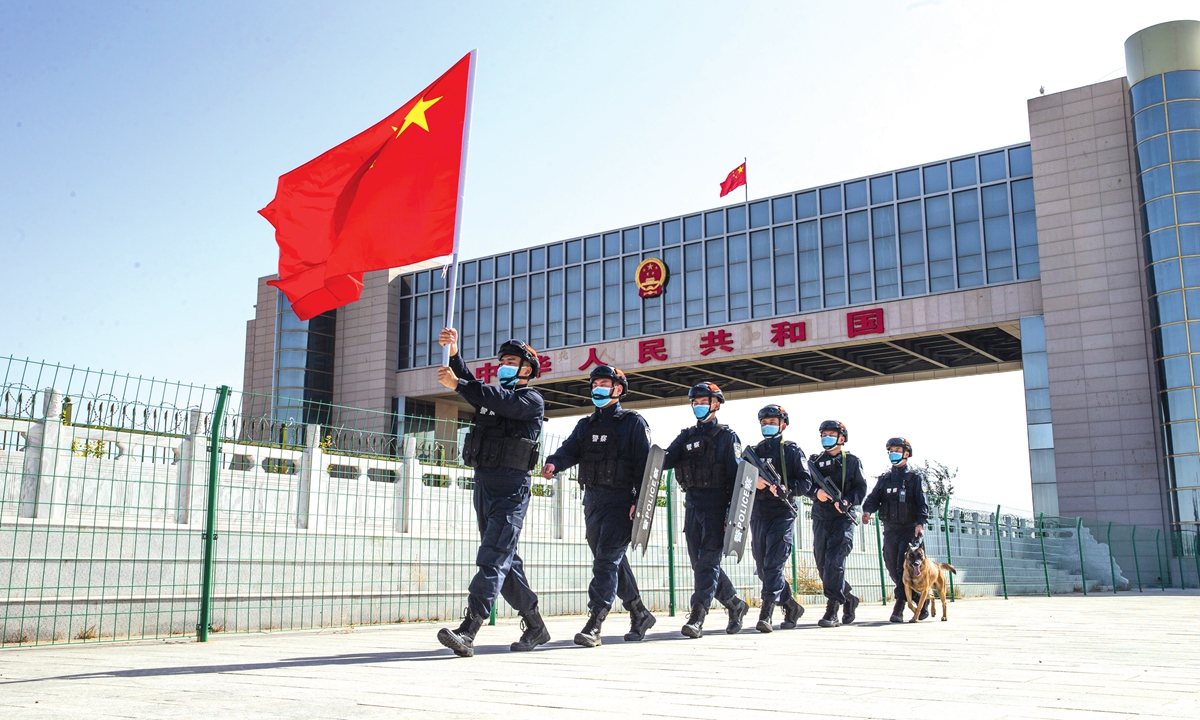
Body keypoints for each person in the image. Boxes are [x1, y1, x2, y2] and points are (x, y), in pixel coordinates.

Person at [434, 329, 549, 657]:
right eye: (502, 362)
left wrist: (458, 383)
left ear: (527, 369)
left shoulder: (529, 401)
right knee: (504, 560)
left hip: (512, 489)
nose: (504, 366)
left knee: (493, 556)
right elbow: (476, 389)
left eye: (511, 362)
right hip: (485, 484)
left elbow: (493, 397)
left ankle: (469, 630)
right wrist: (454, 353)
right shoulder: (492, 397)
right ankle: (536, 626)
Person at [541, 365, 657, 646]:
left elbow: (645, 467)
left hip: (622, 503)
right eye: (595, 384)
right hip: (592, 501)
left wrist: (638, 503)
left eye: (604, 384)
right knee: (609, 561)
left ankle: (595, 622)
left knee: (606, 560)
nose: (598, 389)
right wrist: (554, 463)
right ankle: (639, 612)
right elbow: (570, 450)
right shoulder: (585, 425)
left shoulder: (633, 423)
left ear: (618, 389)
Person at [662, 382, 750, 638]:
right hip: (692, 504)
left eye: (703, 402)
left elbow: (736, 478)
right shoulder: (686, 435)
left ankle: (697, 616)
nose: (698, 406)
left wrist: (730, 516)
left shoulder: (727, 437)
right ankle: (735, 605)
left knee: (708, 563)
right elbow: (667, 458)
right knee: (699, 564)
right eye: (695, 402)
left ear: (716, 404)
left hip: (717, 506)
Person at [748, 404, 811, 632]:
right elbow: (742, 481)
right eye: (764, 423)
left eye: (772, 422)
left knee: (774, 563)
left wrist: (787, 489)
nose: (768, 426)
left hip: (782, 513)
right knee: (762, 565)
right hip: (759, 512)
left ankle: (766, 613)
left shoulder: (792, 451)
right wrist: (755, 482)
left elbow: (806, 482)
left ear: (783, 425)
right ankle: (791, 605)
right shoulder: (754, 452)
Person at [804, 420, 867, 628]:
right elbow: (806, 485)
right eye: (823, 434)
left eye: (831, 434)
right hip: (821, 517)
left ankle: (832, 610)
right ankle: (849, 598)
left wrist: (848, 501)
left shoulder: (852, 461)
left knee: (834, 563)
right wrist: (816, 493)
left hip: (842, 519)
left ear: (842, 438)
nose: (826, 438)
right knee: (823, 566)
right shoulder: (814, 461)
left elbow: (860, 488)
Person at [861, 437, 930, 623]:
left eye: (898, 450)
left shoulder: (915, 479)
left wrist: (921, 523)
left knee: (903, 565)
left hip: (909, 530)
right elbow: (873, 498)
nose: (894, 453)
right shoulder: (885, 479)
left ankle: (899, 607)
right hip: (890, 530)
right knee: (892, 566)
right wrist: (867, 511)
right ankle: (918, 599)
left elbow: (923, 504)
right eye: (891, 450)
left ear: (906, 453)